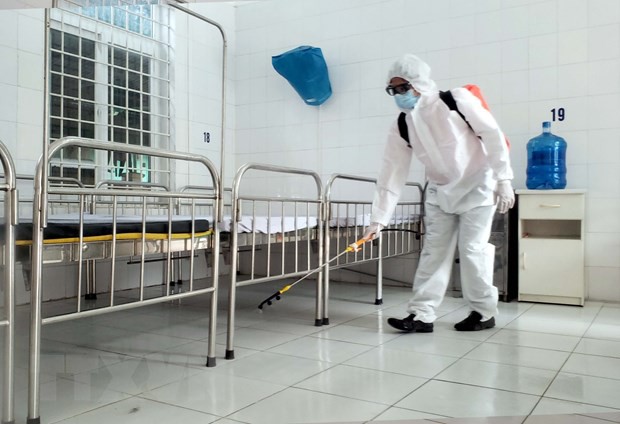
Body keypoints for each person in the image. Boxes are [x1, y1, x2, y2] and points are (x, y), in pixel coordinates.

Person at [360, 54, 514, 333]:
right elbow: (391, 173)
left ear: (419, 83)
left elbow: (492, 133)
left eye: (403, 87)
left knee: (472, 250)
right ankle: (421, 315)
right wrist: (378, 220)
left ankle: (483, 312)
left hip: (478, 185)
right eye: (393, 90)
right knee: (433, 253)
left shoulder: (455, 101)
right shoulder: (403, 124)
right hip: (440, 192)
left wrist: (503, 178)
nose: (399, 95)